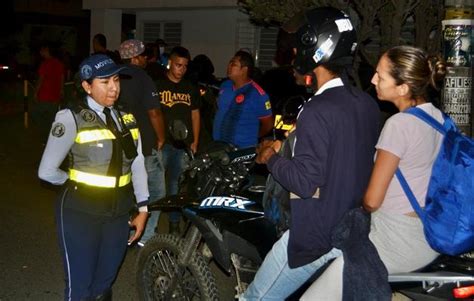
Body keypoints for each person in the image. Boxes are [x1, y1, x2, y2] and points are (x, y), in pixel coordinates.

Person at [239, 7, 380, 299]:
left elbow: (305, 183)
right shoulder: (365, 104)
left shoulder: (317, 109)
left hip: (315, 236)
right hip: (351, 231)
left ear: (313, 48)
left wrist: (271, 158)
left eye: (295, 50)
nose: (292, 58)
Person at [300, 45, 447, 300]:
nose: (372, 79)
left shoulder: (399, 125)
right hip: (428, 234)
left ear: (402, 88)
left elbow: (371, 200)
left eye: (381, 76)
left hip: (394, 239)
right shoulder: (440, 119)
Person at [38, 54, 149, 300]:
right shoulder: (71, 117)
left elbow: (138, 161)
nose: (114, 88)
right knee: (80, 285)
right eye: (105, 82)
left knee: (104, 283)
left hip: (119, 210)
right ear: (87, 86)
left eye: (117, 80)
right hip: (80, 210)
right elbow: (46, 171)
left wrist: (143, 207)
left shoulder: (126, 117)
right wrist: (73, 182)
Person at [117, 39, 165, 246]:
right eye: (144, 55)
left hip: (119, 143)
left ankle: (119, 232)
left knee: (124, 190)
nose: (146, 59)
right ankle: (145, 236)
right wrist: (161, 137)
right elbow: (154, 112)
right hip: (143, 145)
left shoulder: (113, 76)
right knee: (155, 192)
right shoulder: (143, 78)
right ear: (135, 57)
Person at [155, 46, 201, 234]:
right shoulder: (158, 86)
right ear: (169, 63)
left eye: (184, 66)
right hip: (162, 144)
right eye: (178, 65)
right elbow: (152, 114)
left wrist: (195, 141)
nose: (181, 69)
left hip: (182, 145)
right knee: (156, 186)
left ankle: (174, 223)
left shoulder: (190, 89)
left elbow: (195, 115)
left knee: (175, 185)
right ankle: (151, 224)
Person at [213, 50, 273, 148]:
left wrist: (252, 136)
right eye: (230, 63)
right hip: (219, 146)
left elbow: (268, 125)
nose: (229, 66)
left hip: (242, 150)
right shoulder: (225, 85)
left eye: (233, 64)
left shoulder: (258, 94)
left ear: (244, 69)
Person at [32, 42, 65, 144]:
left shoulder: (45, 64)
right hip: (55, 96)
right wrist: (61, 90)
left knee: (37, 114)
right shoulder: (59, 63)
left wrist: (36, 92)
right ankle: (52, 139)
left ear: (46, 50)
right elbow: (62, 77)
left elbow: (41, 79)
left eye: (42, 50)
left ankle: (45, 138)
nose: (41, 52)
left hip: (45, 96)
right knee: (52, 119)